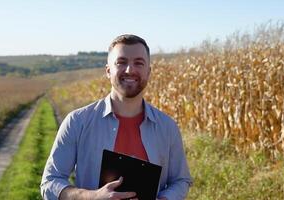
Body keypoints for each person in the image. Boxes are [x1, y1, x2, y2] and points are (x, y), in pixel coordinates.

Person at [41, 34, 192, 200]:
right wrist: (92, 197)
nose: (130, 69)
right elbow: (50, 182)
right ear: (108, 71)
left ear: (148, 72)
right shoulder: (77, 122)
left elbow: (180, 180)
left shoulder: (167, 127)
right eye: (121, 62)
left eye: (138, 63)